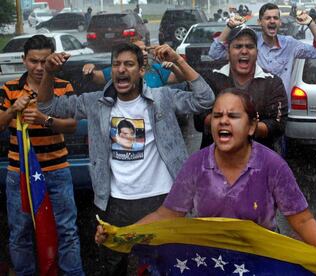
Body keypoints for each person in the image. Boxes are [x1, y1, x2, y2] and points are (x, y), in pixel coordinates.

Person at [96, 88, 316, 273]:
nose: (223, 121)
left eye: (233, 116)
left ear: (250, 127)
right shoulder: (196, 164)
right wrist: (122, 234)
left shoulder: (272, 165)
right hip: (207, 263)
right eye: (217, 115)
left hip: (258, 261)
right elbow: (166, 216)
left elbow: (301, 219)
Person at [37, 43, 214, 275]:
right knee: (114, 267)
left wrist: (178, 61)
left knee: (163, 266)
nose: (122, 69)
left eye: (129, 64)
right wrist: (49, 72)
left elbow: (205, 99)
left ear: (141, 70)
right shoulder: (95, 103)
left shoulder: (162, 98)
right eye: (116, 64)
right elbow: (48, 105)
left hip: (161, 200)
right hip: (115, 202)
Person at [0, 35, 84, 275]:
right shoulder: (10, 89)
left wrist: (44, 119)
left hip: (57, 169)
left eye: (44, 61)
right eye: (33, 61)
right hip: (20, 172)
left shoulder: (62, 86)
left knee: (66, 230)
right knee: (20, 232)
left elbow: (72, 125)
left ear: (52, 61)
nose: (39, 67)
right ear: (23, 60)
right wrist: (13, 110)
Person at [209, 3, 316, 106]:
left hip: (280, 107)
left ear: (280, 22)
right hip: (251, 105)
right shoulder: (250, 42)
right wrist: (229, 27)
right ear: (259, 22)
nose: (272, 21)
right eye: (268, 18)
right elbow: (215, 53)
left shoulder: (290, 44)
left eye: (275, 18)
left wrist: (310, 24)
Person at [194, 25, 288, 151]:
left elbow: (278, 125)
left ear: (257, 51)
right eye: (238, 46)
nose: (244, 51)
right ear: (228, 51)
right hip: (215, 159)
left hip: (260, 159)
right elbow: (199, 119)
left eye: (250, 46)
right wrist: (241, 124)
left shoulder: (273, 83)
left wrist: (240, 127)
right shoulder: (211, 79)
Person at [82, 40, 185, 88]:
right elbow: (94, 77)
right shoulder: (119, 71)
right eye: (139, 51)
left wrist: (175, 62)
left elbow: (181, 78)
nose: (144, 53)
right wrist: (88, 69)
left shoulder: (156, 69)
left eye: (145, 50)